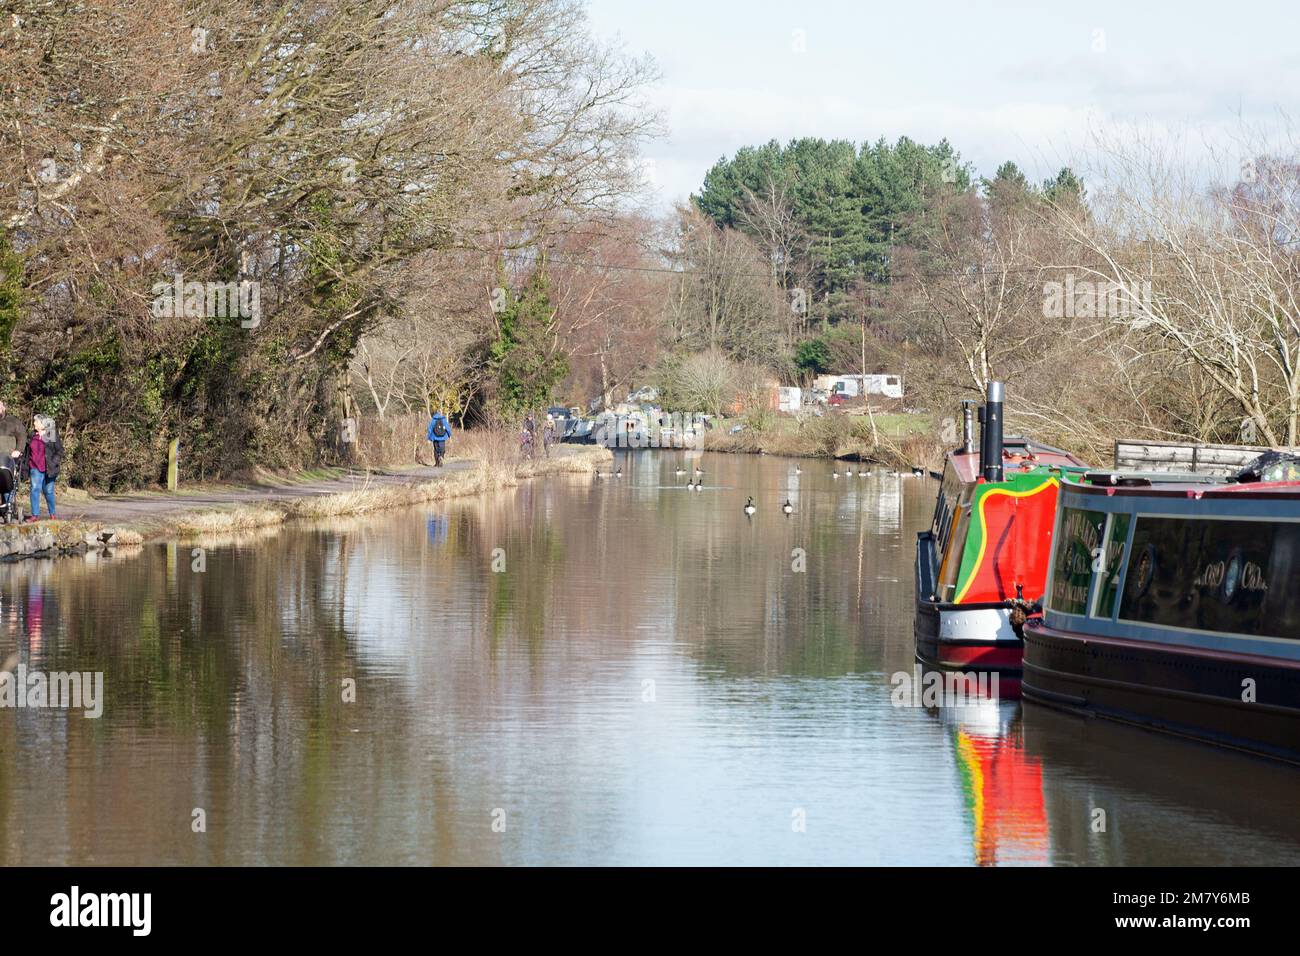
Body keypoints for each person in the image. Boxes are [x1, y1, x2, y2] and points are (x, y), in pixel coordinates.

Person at [22, 415, 63, 521]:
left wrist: (54, 462)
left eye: (36, 421)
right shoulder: (32, 435)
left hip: (49, 467)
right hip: (35, 466)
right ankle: (35, 515)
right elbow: (27, 452)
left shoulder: (50, 434)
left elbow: (59, 451)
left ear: (42, 424)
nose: (34, 423)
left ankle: (52, 514)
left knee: (48, 491)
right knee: (34, 489)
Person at [0, 400, 25, 512]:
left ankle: (7, 506)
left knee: (8, 481)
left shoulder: (13, 421)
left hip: (8, 458)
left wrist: (19, 450)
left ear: (3, 408)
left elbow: (22, 436)